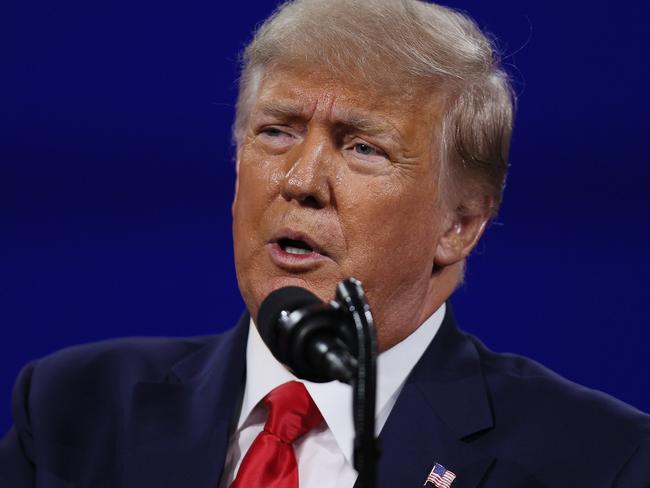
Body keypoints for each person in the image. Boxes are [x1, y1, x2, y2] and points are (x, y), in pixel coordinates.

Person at [1, 0, 649, 486]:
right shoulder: (73, 410)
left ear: (460, 224)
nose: (301, 181)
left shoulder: (598, 459)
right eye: (276, 132)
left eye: (362, 147)